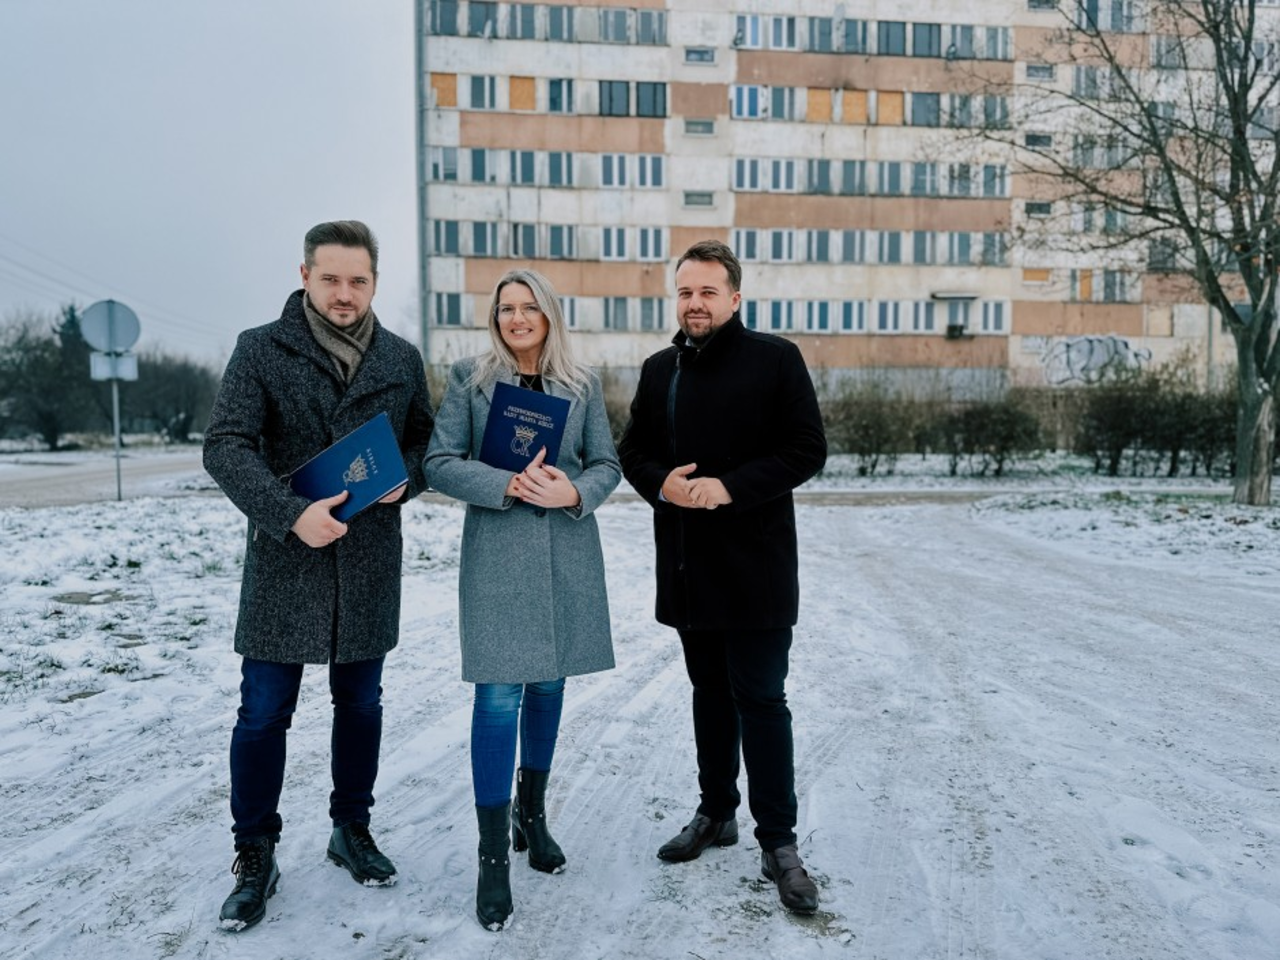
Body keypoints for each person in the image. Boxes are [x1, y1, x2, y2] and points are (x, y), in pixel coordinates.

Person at [203, 220, 435, 931]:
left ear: (374, 283)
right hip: (286, 561)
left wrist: (409, 478)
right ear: (305, 276)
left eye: (358, 280)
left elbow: (424, 441)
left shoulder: (400, 357)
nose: (344, 293)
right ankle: (254, 850)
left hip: (367, 561)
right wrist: (289, 513)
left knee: (360, 705)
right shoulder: (260, 348)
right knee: (263, 711)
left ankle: (350, 829)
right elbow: (225, 445)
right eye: (330, 278)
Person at [617, 240, 827, 915]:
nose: (695, 303)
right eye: (685, 292)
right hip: (688, 564)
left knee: (761, 699)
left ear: (734, 298)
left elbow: (806, 448)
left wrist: (728, 488)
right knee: (709, 692)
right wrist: (665, 486)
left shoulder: (775, 359)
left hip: (758, 566)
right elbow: (632, 451)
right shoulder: (660, 369)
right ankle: (716, 812)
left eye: (708, 292)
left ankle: (780, 842)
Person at [423, 268, 620, 931]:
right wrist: (505, 483)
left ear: (549, 314)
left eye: (528, 306)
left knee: (549, 685)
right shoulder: (470, 380)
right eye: (505, 308)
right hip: (499, 556)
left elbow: (607, 463)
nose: (516, 317)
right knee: (498, 694)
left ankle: (530, 817)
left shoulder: (582, 383)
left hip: (565, 552)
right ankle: (491, 857)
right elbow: (439, 462)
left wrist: (575, 492)